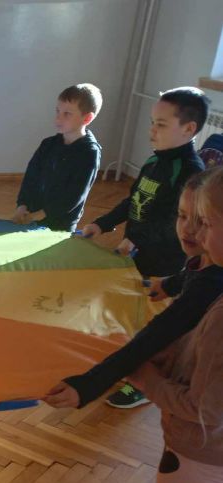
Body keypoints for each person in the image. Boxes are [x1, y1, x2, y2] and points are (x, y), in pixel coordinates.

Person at [44, 167, 223, 411]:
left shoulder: (210, 285)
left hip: (194, 401)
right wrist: (170, 285)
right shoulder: (207, 261)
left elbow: (158, 333)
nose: (191, 231)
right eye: (182, 216)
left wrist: (92, 383)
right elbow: (194, 273)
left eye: (203, 222)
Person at [115, 167, 223, 483]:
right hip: (202, 451)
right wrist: (169, 354)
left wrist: (145, 378)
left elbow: (205, 409)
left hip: (203, 452)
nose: (199, 235)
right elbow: (205, 356)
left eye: (207, 222)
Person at [80, 87, 209, 407]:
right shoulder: (154, 162)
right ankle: (123, 360)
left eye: (161, 124)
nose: (151, 130)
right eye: (152, 122)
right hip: (137, 256)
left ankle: (146, 383)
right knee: (129, 313)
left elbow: (173, 224)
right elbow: (133, 199)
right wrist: (103, 222)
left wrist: (137, 239)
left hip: (165, 262)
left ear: (189, 129)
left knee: (156, 328)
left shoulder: (190, 172)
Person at [11, 83, 102, 231]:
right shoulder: (48, 144)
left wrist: (40, 215)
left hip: (60, 225)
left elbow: (74, 196)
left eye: (67, 114)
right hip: (31, 216)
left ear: (86, 119)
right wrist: (22, 205)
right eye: (58, 111)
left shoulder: (89, 153)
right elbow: (30, 178)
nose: (58, 118)